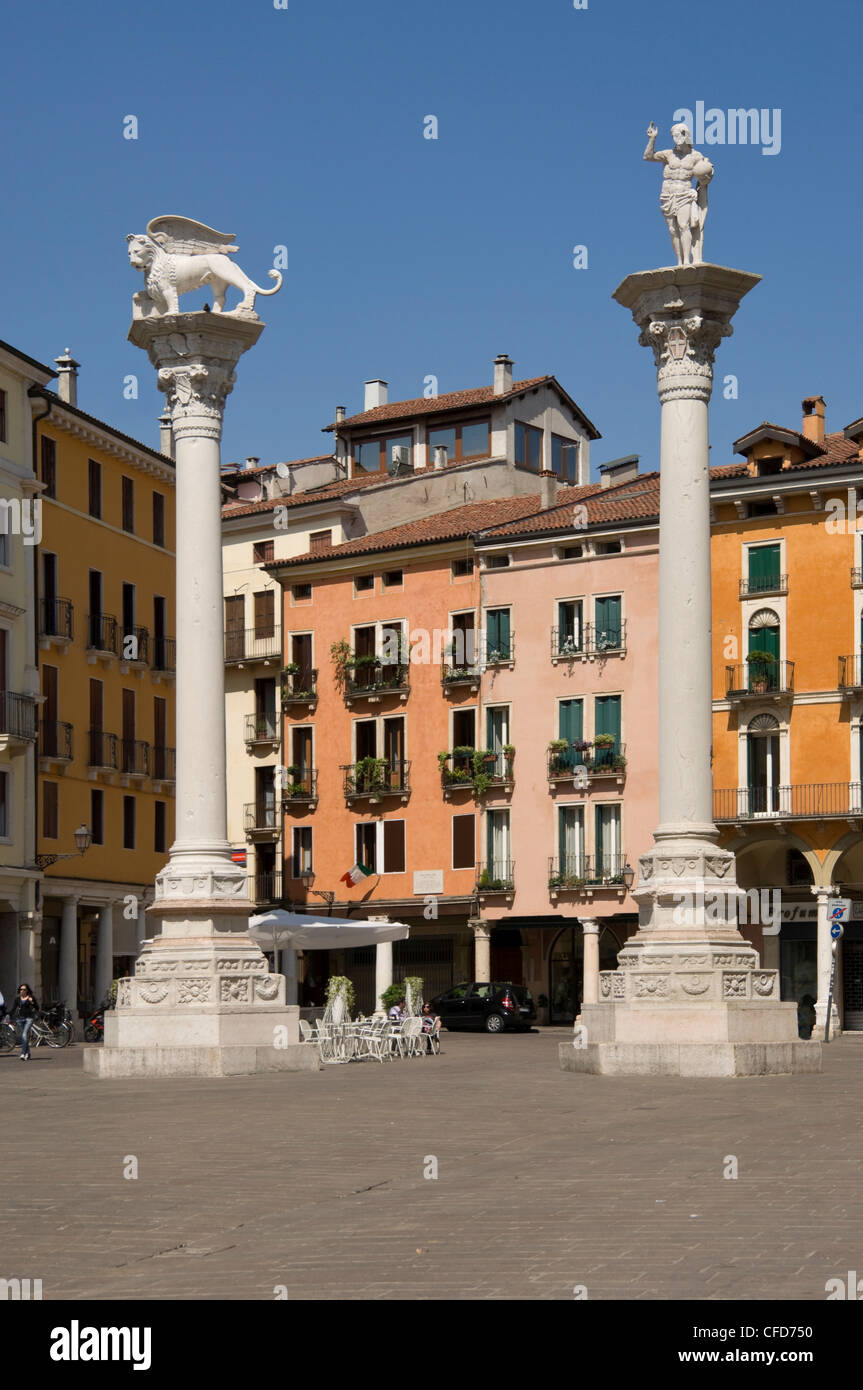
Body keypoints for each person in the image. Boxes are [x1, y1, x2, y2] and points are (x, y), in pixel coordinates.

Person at [11, 982, 39, 1061]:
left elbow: (37, 1008)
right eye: (21, 989)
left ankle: (23, 1053)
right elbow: (13, 1009)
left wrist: (32, 1002)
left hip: (29, 1018)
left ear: (27, 990)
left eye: (24, 989)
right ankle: (28, 1053)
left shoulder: (31, 997)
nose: (22, 991)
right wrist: (8, 1015)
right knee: (24, 1037)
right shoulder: (17, 999)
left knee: (24, 1035)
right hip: (20, 1019)